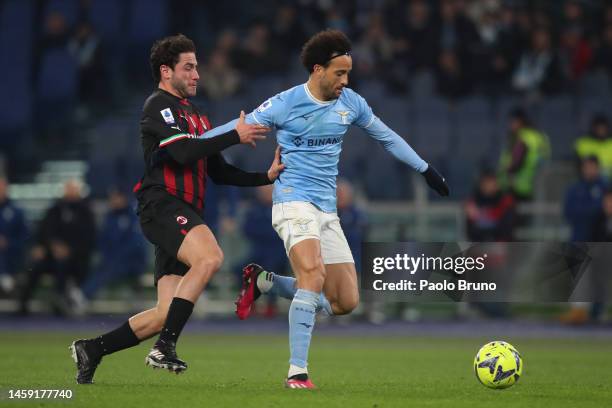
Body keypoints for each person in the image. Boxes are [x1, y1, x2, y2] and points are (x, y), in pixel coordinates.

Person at [203, 29, 449, 389]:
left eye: (348, 73)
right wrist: (188, 143)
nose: (345, 81)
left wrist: (425, 169)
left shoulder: (352, 103)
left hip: (326, 209)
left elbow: (387, 136)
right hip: (291, 201)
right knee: (313, 275)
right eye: (339, 73)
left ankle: (264, 282)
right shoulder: (285, 103)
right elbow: (236, 128)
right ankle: (297, 372)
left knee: (345, 301)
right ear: (318, 69)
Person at [69, 34, 283, 384]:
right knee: (210, 257)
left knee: (165, 312)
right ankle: (164, 347)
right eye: (189, 67)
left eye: (196, 67)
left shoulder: (197, 116)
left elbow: (219, 171)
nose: (197, 74)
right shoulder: (158, 106)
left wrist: (266, 176)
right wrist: (234, 135)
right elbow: (182, 153)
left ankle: (91, 349)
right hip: (162, 204)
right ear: (166, 71)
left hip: (180, 212)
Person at [18, 179, 96, 315]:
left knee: (63, 265)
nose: (70, 192)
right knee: (35, 266)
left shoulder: (86, 211)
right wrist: (45, 246)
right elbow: (44, 230)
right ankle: (23, 304)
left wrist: (69, 250)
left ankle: (58, 303)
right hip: (51, 253)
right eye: (68, 188)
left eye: (73, 189)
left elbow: (88, 239)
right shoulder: (55, 208)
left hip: (75, 258)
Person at [498, 108, 550, 201]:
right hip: (538, 185)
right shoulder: (538, 136)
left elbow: (516, 163)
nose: (510, 125)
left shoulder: (522, 138)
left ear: (521, 121)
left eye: (513, 121)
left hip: (518, 186)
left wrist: (504, 171)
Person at [0, 176, 28, 295]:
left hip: (11, 251)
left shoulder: (17, 211)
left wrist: (8, 242)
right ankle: (4, 278)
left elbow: (25, 236)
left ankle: (5, 278)